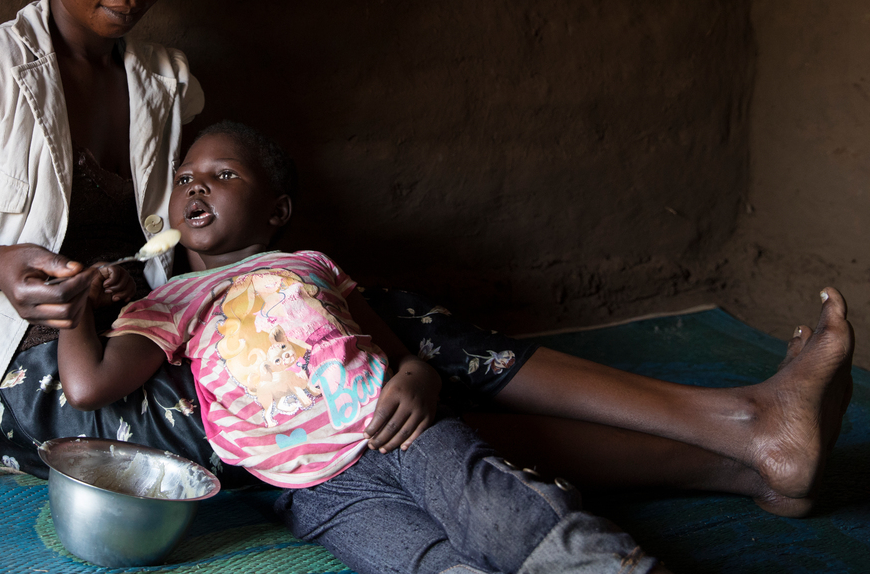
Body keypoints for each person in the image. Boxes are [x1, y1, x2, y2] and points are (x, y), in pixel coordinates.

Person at [0, 0, 855, 517]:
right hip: (34, 371)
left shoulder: (163, 80)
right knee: (340, 399)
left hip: (146, 324)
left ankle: (742, 431)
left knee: (373, 349)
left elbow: (177, 259)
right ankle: (736, 450)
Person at [59, 122, 680, 574]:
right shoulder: (171, 301)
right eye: (186, 178)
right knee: (415, 560)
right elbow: (89, 386)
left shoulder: (310, 265)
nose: (197, 188)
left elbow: (393, 350)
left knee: (496, 513)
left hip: (396, 430)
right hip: (308, 490)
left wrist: (419, 377)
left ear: (277, 210)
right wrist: (73, 308)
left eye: (224, 176)